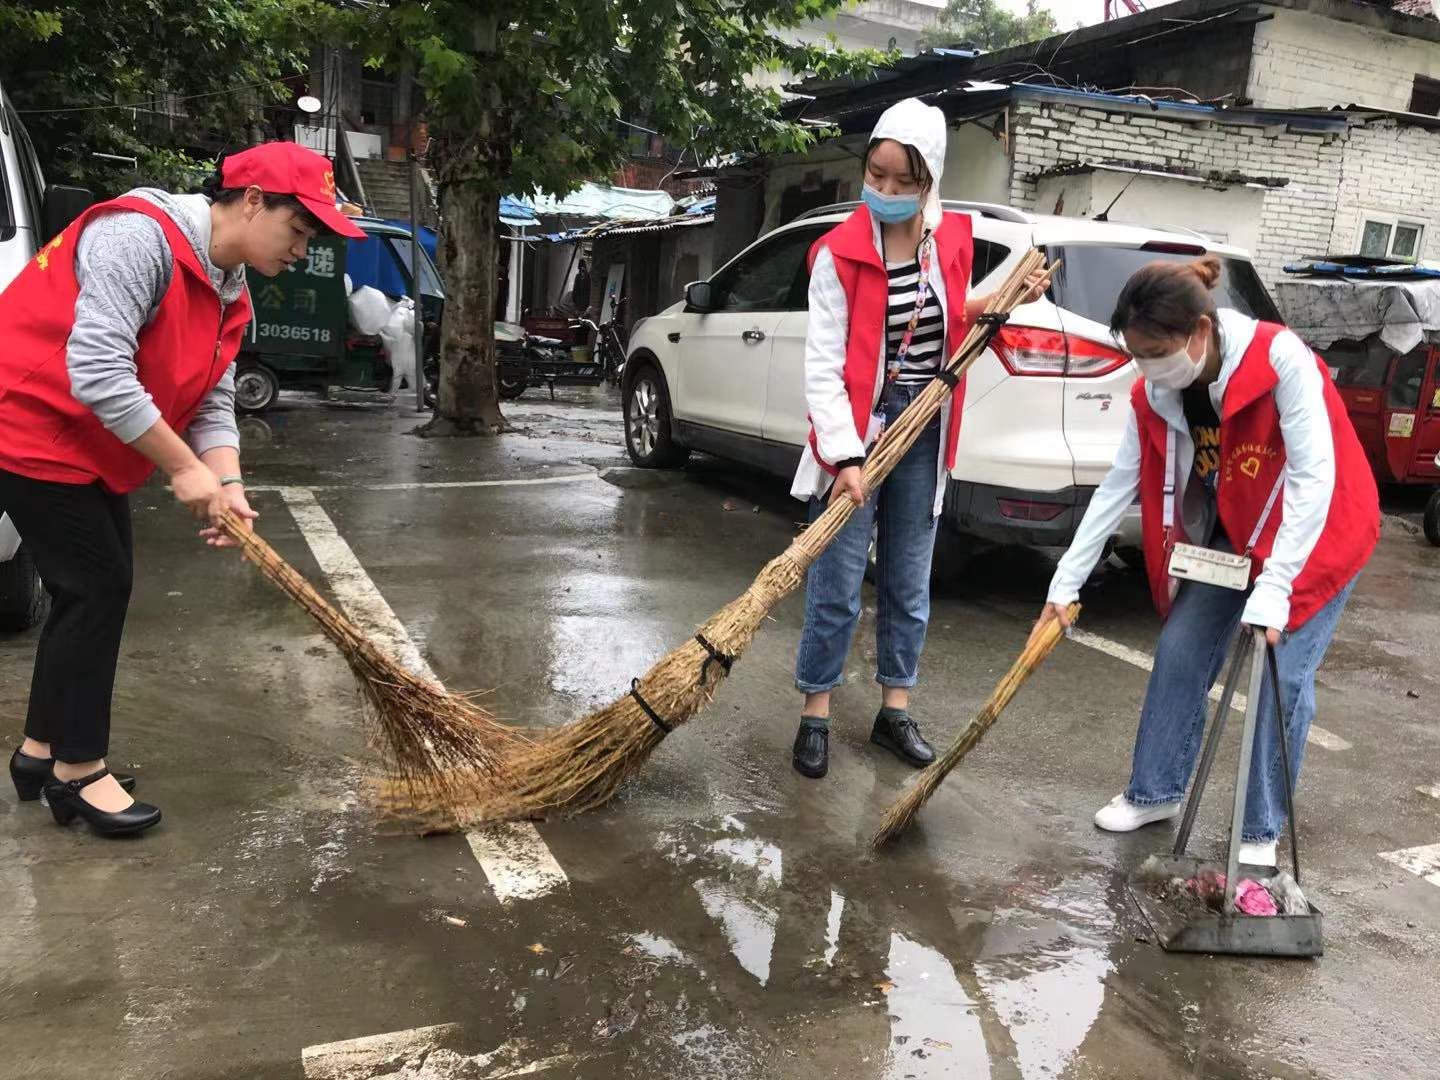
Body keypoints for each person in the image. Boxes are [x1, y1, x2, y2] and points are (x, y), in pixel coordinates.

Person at [1, 142, 364, 837]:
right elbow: (100, 370)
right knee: (96, 588)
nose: (303, 249)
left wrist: (226, 480)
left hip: (88, 444)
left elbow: (210, 399)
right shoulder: (138, 236)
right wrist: (184, 470)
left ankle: (39, 753)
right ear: (252, 200)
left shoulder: (229, 283)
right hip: (26, 419)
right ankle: (77, 773)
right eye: (299, 230)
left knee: (92, 589)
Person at [1032, 257, 1379, 865]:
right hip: (1240, 533)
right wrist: (1065, 585)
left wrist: (1278, 586)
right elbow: (1118, 486)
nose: (1146, 369)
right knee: (1182, 648)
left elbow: (1313, 477)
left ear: (1199, 331)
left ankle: (1259, 830)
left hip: (1321, 532)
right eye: (1136, 355)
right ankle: (1156, 791)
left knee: (1281, 675)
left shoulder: (1281, 360)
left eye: (1154, 352)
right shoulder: (1157, 392)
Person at [789, 98, 1048, 780]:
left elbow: (944, 317)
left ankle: (893, 710)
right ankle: (815, 712)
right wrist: (845, 457)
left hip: (926, 425)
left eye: (905, 182)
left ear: (930, 180)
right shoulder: (836, 256)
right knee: (839, 580)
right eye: (877, 176)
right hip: (857, 431)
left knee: (908, 577)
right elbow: (822, 364)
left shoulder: (952, 241)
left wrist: (1002, 303)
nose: (887, 192)